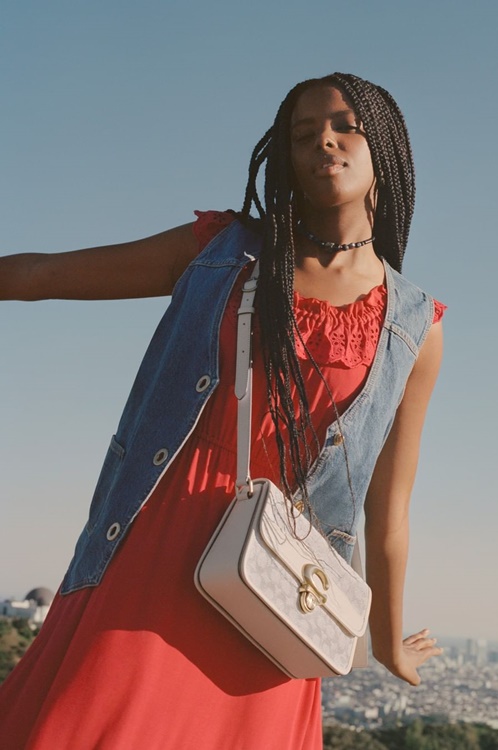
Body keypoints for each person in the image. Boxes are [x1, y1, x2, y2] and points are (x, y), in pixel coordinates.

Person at [0, 73, 445, 749]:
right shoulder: (222, 249)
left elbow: (388, 510)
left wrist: (388, 644)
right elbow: (44, 278)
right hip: (155, 540)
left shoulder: (414, 327)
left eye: (344, 125)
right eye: (303, 134)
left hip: (275, 584)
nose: (324, 140)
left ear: (383, 144)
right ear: (287, 158)